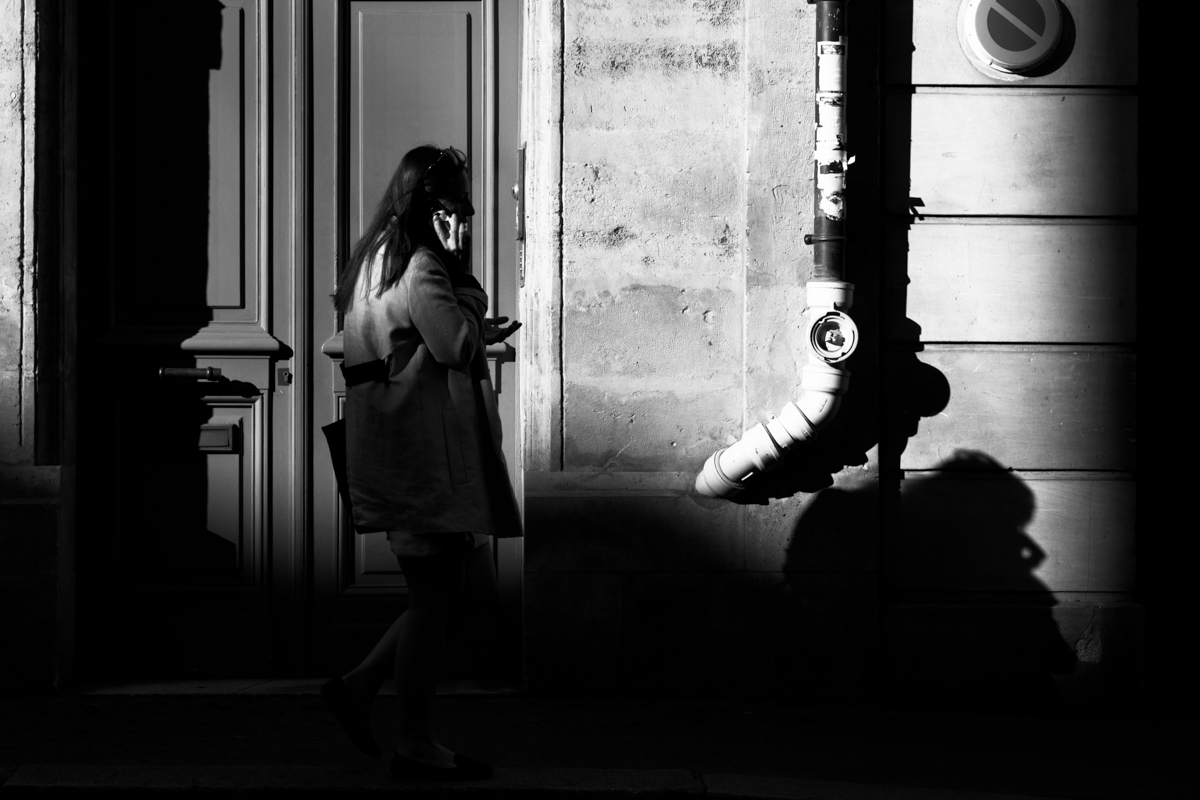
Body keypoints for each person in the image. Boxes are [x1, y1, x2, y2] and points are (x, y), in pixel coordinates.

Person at [321, 145, 522, 781]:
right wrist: (470, 296)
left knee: (452, 595)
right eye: (454, 208)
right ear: (431, 208)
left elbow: (369, 339)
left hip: (396, 452)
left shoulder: (374, 260)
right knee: (439, 600)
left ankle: (359, 686)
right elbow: (454, 343)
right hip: (423, 459)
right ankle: (412, 739)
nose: (461, 222)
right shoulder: (424, 267)